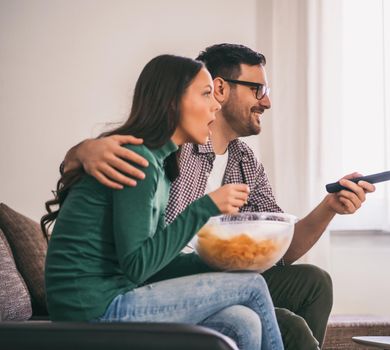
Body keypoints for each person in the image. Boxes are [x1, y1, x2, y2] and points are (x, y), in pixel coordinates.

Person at [61, 44, 376, 350]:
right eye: (258, 90)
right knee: (265, 303)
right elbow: (135, 257)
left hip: (166, 275)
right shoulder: (160, 153)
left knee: (302, 288)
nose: (266, 103)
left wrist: (329, 207)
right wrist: (81, 152)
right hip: (132, 289)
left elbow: (280, 248)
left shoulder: (241, 162)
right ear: (218, 90)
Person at [42, 54, 284, 350]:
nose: (216, 105)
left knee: (242, 321)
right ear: (172, 101)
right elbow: (138, 266)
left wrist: (217, 263)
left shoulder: (161, 165)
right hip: (91, 312)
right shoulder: (138, 161)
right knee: (253, 286)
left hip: (109, 300)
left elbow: (150, 261)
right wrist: (206, 207)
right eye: (206, 94)